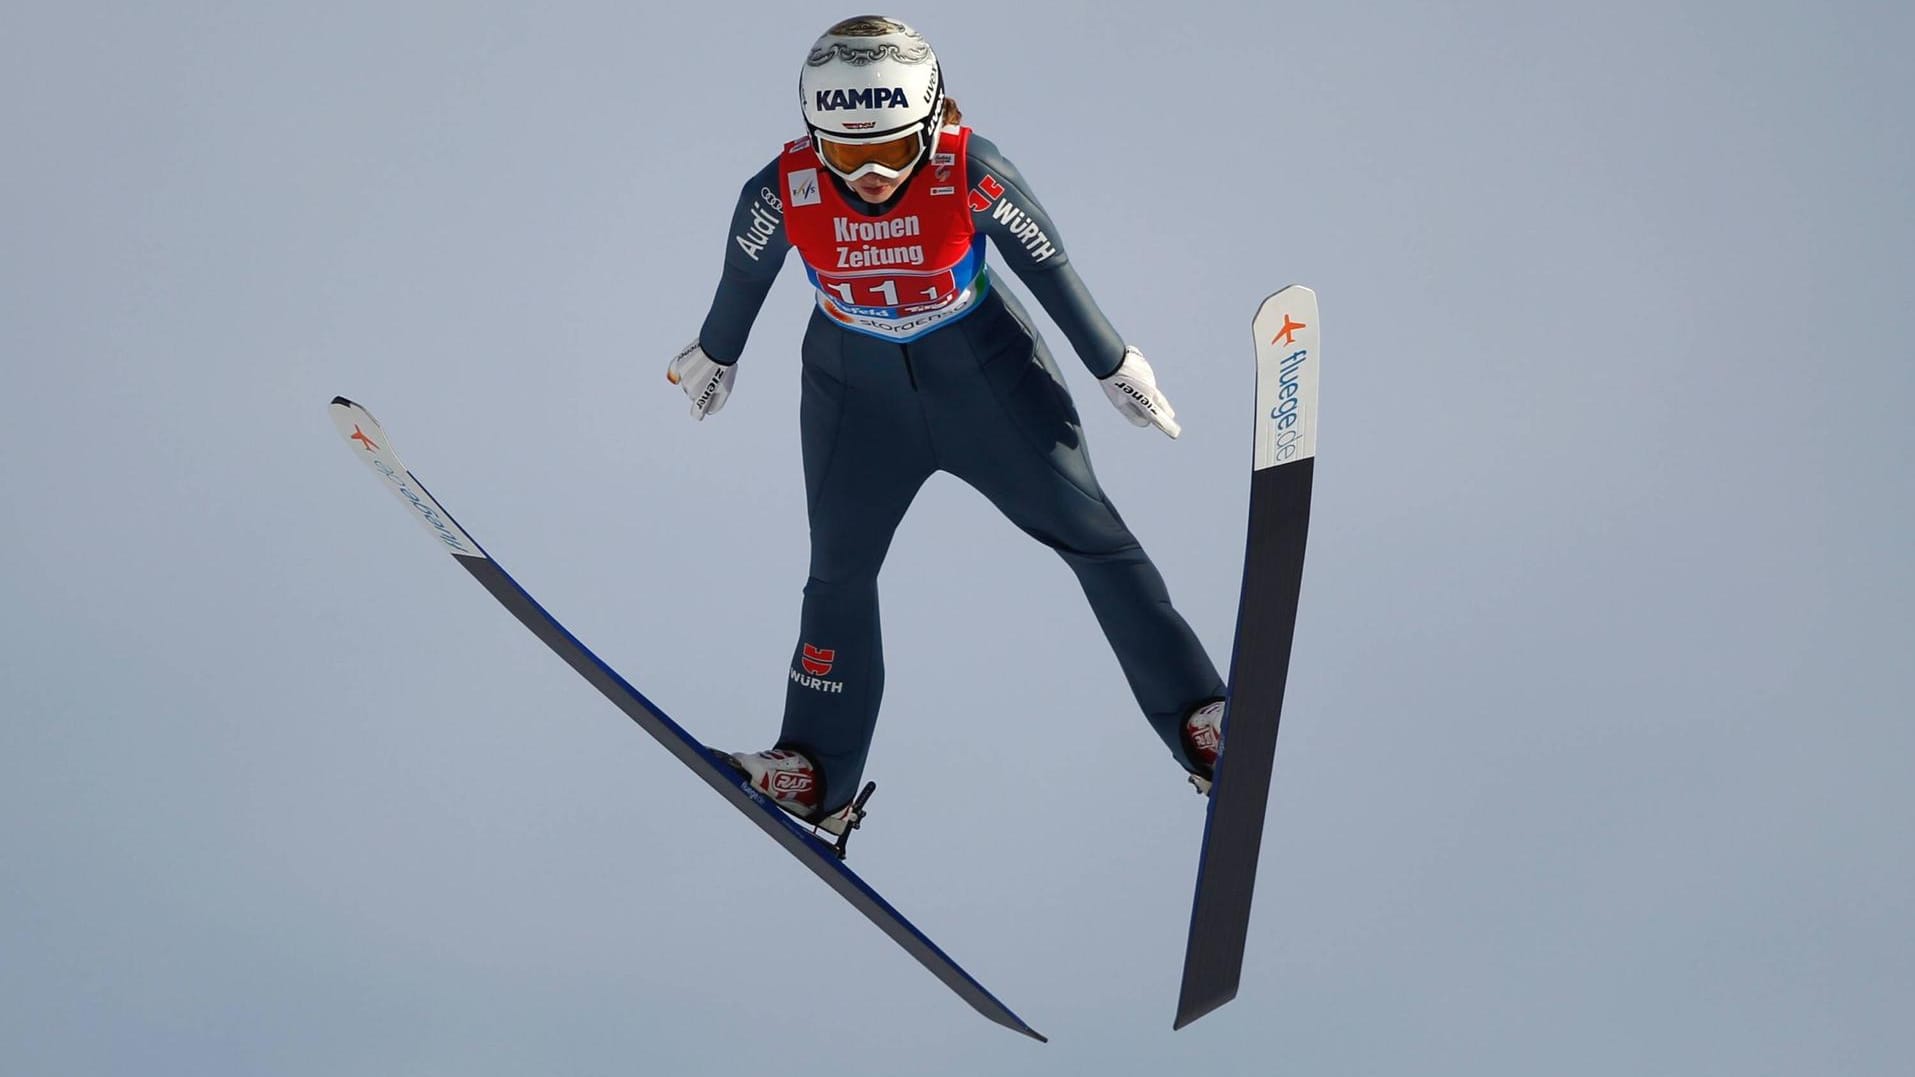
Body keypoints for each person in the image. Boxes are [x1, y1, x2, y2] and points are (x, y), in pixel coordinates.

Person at [669, 16, 1227, 833]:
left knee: (1093, 537)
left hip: (986, 380)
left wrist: (1113, 363)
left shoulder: (969, 168)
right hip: (855, 398)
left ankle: (1199, 722)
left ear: (931, 124)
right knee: (836, 576)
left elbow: (1048, 267)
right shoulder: (781, 187)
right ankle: (814, 772)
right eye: (845, 151)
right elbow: (744, 273)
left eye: (892, 152)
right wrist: (715, 353)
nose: (865, 174)